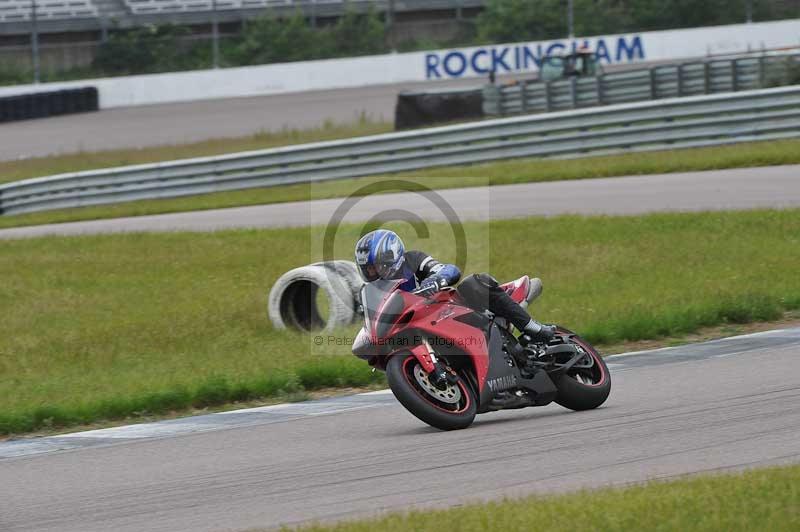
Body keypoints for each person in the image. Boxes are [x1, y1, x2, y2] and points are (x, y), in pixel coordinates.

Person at [354, 229, 556, 346]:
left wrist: (435, 281)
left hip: (445, 309)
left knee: (475, 282)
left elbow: (448, 270)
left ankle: (533, 328)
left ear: (391, 257)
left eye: (376, 267)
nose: (374, 273)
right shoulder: (372, 291)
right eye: (369, 270)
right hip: (416, 328)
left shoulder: (413, 260)